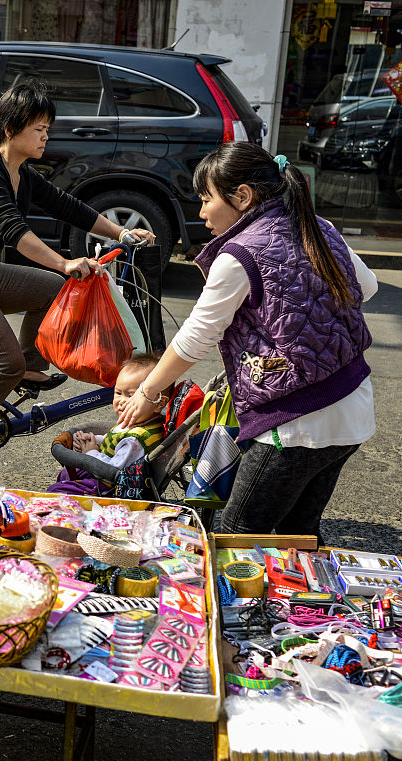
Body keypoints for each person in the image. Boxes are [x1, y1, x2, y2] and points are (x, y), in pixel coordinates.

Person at [117, 142, 378, 540]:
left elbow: (197, 336)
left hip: (298, 420)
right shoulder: (317, 225)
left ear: (242, 196)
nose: (202, 212)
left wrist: (148, 391)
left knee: (239, 531)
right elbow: (368, 286)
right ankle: (305, 582)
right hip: (354, 403)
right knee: (299, 531)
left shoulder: (240, 254)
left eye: (207, 199)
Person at [0, 82, 154, 463]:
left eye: (48, 129)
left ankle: (29, 366)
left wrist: (121, 232)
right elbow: (13, 230)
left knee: (53, 290)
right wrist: (65, 262)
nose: (46, 136)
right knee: (4, 365)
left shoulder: (21, 173)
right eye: (39, 129)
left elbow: (68, 206)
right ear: (11, 129)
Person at [72, 354, 168, 458]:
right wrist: (93, 440)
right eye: (118, 393)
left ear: (159, 404)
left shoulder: (135, 441)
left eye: (131, 395)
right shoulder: (137, 422)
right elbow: (113, 440)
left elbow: (112, 467)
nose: (121, 401)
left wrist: (90, 452)